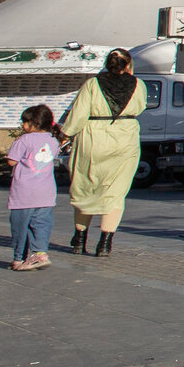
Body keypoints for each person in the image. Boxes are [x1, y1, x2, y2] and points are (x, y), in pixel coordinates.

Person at [60, 49, 145, 256]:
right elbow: (141, 107)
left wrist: (65, 134)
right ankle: (105, 243)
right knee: (116, 192)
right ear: (128, 64)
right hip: (125, 137)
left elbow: (79, 114)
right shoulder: (138, 85)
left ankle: (80, 238)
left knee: (86, 188)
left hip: (93, 137)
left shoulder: (92, 84)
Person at [7, 104, 60, 272]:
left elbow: (11, 161)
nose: (22, 125)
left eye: (24, 122)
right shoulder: (53, 141)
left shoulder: (23, 140)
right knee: (41, 225)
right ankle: (40, 253)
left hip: (24, 193)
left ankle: (18, 259)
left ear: (34, 123)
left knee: (20, 227)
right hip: (46, 193)